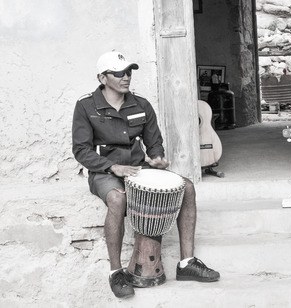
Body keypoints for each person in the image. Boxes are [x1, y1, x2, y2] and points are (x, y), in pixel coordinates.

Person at [72, 51, 220, 298]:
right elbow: (81, 150)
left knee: (187, 187)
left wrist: (157, 158)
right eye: (118, 73)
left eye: (129, 71)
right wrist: (112, 167)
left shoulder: (141, 104)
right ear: (102, 77)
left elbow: (154, 142)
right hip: (104, 171)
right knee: (118, 199)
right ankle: (116, 272)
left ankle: (187, 263)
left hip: (139, 169)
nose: (126, 77)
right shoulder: (86, 106)